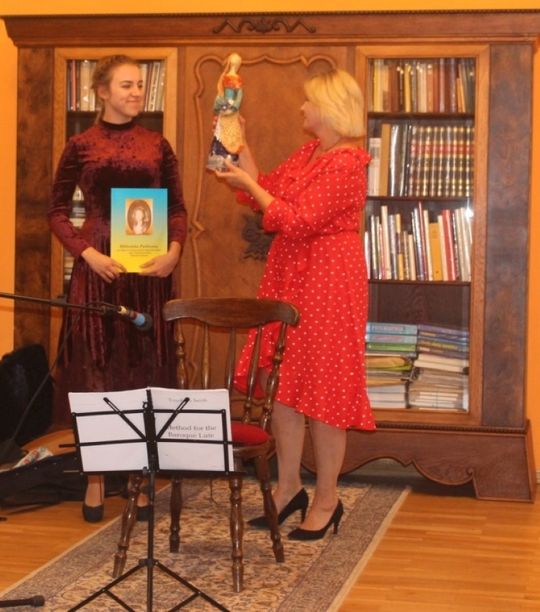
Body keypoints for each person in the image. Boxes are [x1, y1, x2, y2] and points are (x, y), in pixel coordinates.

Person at [215, 68, 375, 541]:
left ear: (330, 109)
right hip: (292, 273)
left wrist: (253, 186)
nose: (302, 108)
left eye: (309, 102)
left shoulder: (347, 162)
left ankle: (327, 499)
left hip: (329, 276)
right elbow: (264, 188)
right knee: (283, 383)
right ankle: (288, 489)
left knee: (324, 390)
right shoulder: (310, 153)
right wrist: (238, 141)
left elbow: (298, 219)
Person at [48, 54, 187, 522]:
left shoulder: (158, 144)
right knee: (97, 371)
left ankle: (140, 479)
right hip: (99, 269)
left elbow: (178, 210)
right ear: (102, 91)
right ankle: (95, 478)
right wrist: (85, 253)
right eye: (126, 85)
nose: (136, 92)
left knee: (143, 370)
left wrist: (174, 252)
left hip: (148, 273)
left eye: (140, 85)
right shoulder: (80, 144)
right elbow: (55, 211)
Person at [206, 52, 244, 171]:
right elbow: (235, 95)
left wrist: (233, 107)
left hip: (229, 109)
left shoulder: (233, 78)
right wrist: (224, 105)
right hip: (226, 108)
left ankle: (229, 159)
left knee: (229, 133)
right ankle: (220, 159)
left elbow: (238, 96)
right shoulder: (227, 77)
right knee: (221, 131)